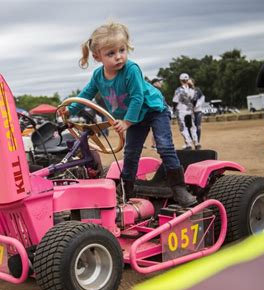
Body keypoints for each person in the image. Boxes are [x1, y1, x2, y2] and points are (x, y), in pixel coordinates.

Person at [60, 22, 196, 207]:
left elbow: (137, 98)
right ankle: (127, 189)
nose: (119, 57)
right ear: (97, 57)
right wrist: (70, 110)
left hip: (153, 110)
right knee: (131, 152)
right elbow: (85, 96)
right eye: (111, 53)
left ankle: (179, 188)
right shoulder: (98, 76)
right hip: (133, 118)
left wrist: (126, 122)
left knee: (164, 146)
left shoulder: (131, 70)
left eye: (122, 50)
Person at [172, 73, 201, 150]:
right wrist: (191, 107)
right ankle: (197, 143)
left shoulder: (178, 90)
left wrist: (174, 109)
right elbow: (195, 100)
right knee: (192, 126)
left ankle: (188, 144)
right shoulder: (192, 90)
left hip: (181, 111)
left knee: (183, 127)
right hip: (190, 111)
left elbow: (175, 101)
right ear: (187, 80)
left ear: (180, 80)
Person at [188, 78, 205, 143]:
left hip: (197, 111)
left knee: (198, 126)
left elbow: (202, 98)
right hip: (189, 112)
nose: (189, 83)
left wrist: (197, 105)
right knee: (189, 127)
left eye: (190, 82)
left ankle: (198, 141)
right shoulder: (186, 91)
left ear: (193, 82)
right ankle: (190, 141)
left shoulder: (197, 90)